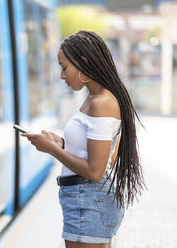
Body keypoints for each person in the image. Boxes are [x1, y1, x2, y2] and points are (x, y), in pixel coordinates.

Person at [21, 30, 145, 248]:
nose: (61, 75)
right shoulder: (96, 98)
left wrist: (52, 150)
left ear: (83, 63)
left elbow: (95, 171)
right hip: (85, 200)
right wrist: (61, 144)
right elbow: (98, 152)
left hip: (87, 201)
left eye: (64, 67)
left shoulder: (102, 103)